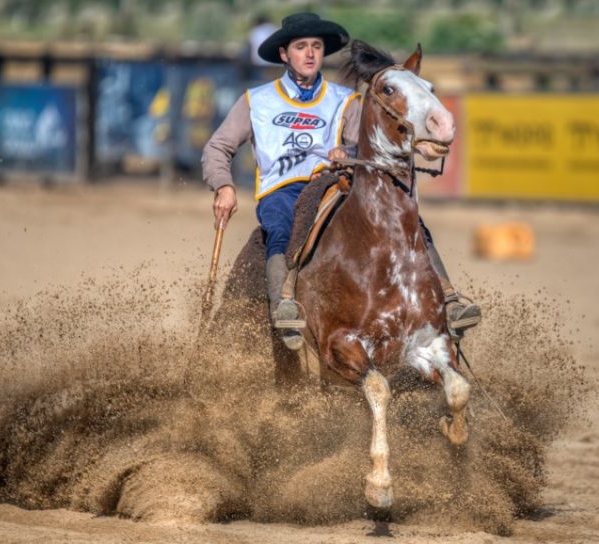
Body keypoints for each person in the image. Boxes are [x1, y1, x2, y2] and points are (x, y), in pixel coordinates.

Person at [201, 12, 480, 350]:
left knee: (406, 220)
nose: (309, 54)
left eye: (316, 47)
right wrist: (225, 186)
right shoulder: (256, 101)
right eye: (301, 47)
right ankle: (283, 305)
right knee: (278, 225)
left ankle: (450, 299)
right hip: (282, 188)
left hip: (337, 184)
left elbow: (368, 145)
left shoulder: (345, 100)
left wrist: (346, 150)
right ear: (283, 55)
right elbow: (218, 147)